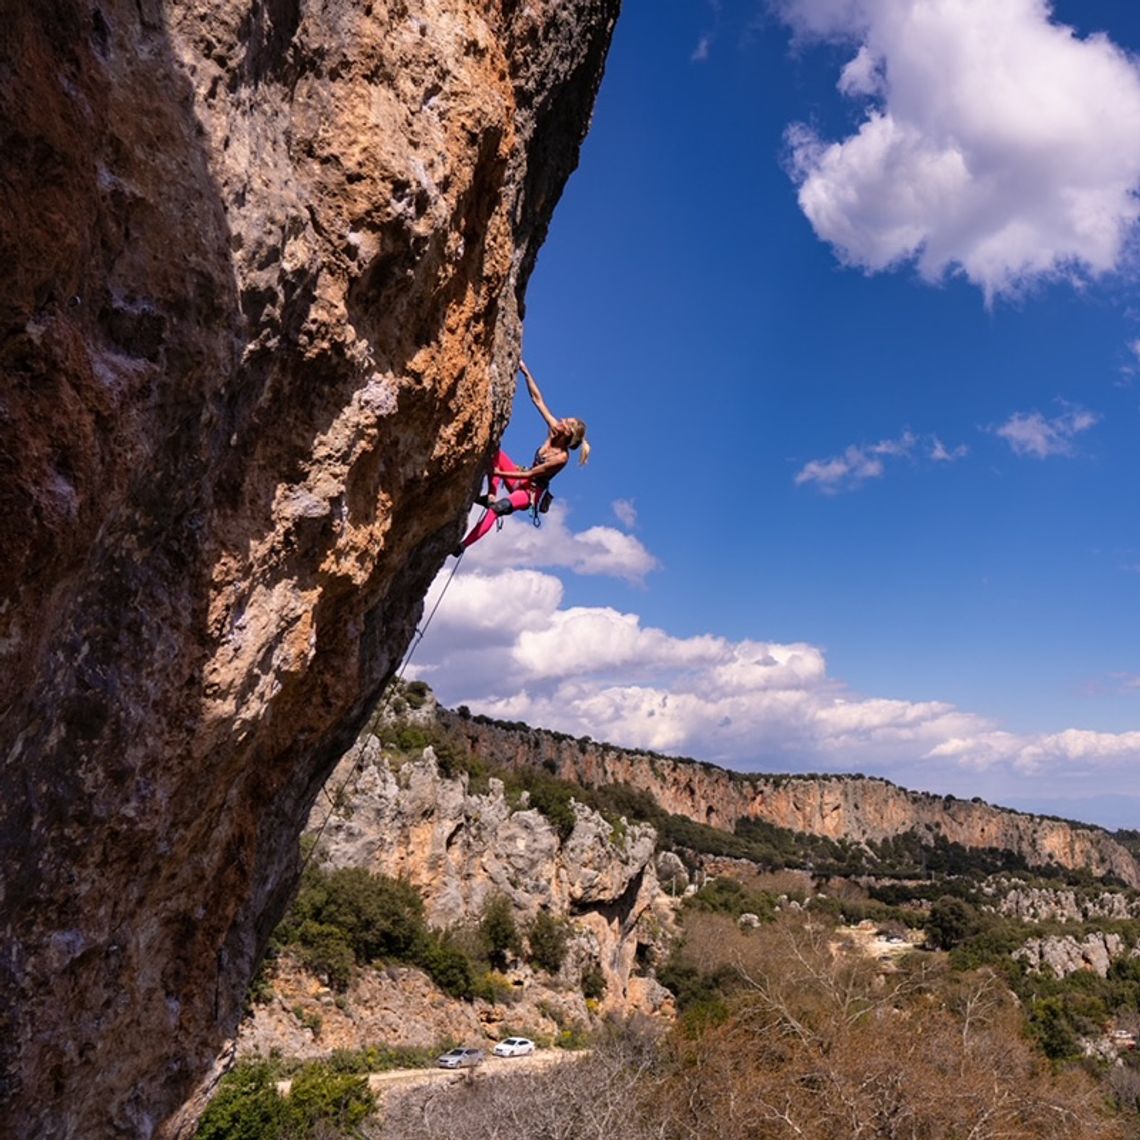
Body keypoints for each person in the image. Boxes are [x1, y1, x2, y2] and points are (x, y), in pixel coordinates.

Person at [455, 360, 589, 555]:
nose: (560, 420)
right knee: (495, 451)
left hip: (528, 493)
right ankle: (491, 495)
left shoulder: (561, 458)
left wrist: (498, 472)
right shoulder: (554, 430)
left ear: (568, 434)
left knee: (497, 509)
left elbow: (533, 474)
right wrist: (526, 373)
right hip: (520, 477)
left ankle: (462, 546)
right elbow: (538, 400)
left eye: (565, 423)